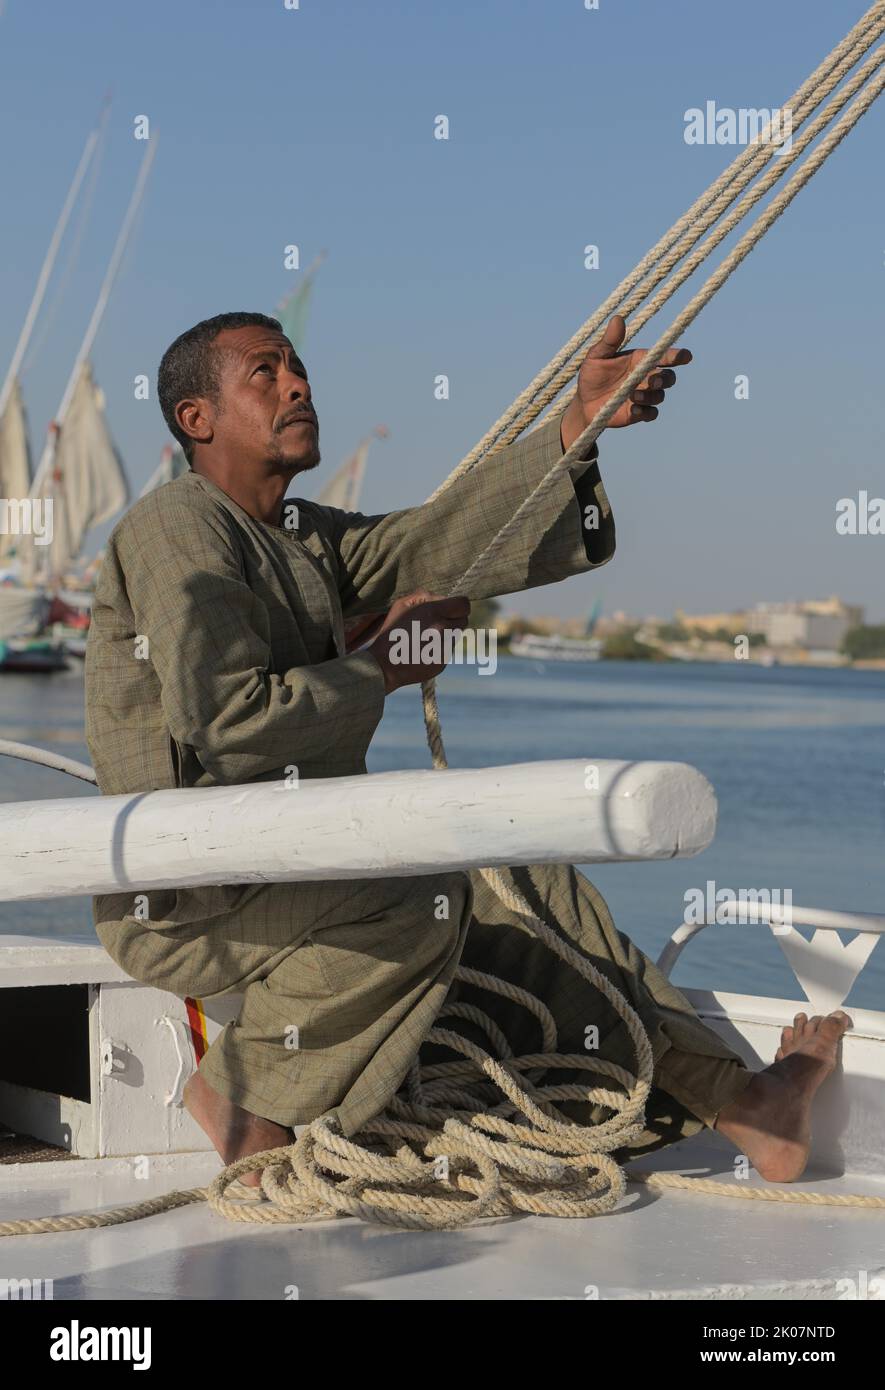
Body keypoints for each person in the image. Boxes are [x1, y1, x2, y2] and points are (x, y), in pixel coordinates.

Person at [85, 310, 850, 1189]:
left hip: (289, 868)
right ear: (197, 419)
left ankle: (741, 1104)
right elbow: (227, 719)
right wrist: (382, 668)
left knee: (525, 875)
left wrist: (577, 430)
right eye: (265, 372)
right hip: (195, 898)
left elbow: (431, 542)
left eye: (298, 365)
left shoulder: (299, 537)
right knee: (422, 888)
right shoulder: (176, 531)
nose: (298, 385)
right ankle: (245, 1096)